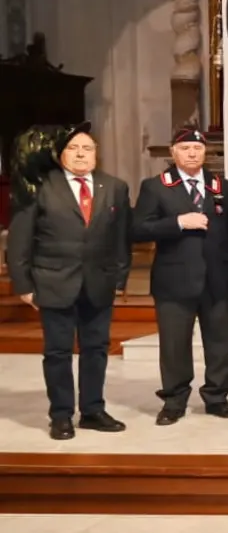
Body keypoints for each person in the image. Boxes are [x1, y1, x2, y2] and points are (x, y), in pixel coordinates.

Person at [5, 122, 132, 440]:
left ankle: (92, 410)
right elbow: (20, 240)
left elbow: (121, 238)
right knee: (58, 352)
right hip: (53, 282)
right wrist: (22, 284)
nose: (80, 154)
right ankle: (61, 415)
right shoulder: (39, 185)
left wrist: (120, 278)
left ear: (96, 154)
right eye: (73, 148)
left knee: (96, 350)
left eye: (87, 148)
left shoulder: (114, 186)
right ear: (60, 154)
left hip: (99, 283)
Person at [133, 128, 228, 425]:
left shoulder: (221, 186)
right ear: (173, 153)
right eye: (185, 148)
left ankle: (217, 397)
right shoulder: (155, 187)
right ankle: (174, 400)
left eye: (197, 148)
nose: (192, 153)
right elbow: (138, 229)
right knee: (174, 346)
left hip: (218, 279)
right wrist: (178, 222)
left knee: (220, 343)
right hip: (174, 281)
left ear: (205, 152)